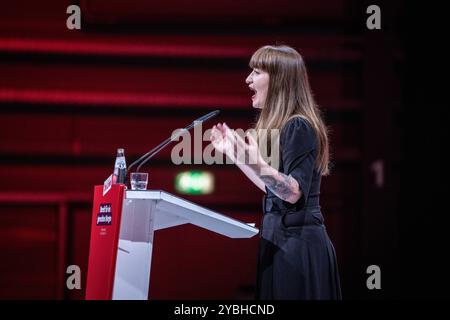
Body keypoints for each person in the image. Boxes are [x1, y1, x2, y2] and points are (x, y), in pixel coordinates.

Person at [210, 45, 342, 300]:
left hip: (299, 245)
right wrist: (236, 156)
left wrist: (257, 163)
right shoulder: (286, 127)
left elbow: (292, 193)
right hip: (281, 240)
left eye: (256, 72)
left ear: (279, 80)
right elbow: (274, 190)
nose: (248, 79)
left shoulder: (299, 126)